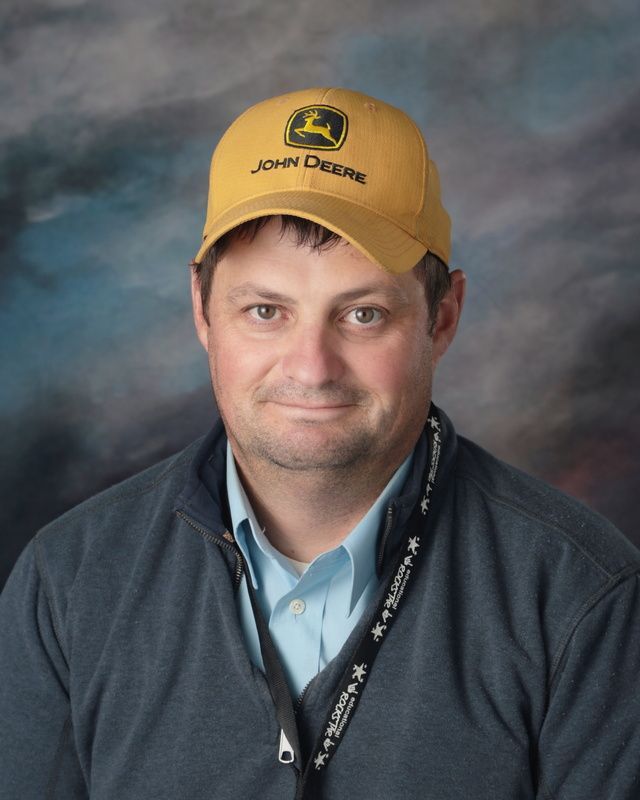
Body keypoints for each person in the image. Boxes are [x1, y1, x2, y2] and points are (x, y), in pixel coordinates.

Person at [0, 87, 638, 800]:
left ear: (443, 317)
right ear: (203, 312)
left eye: (363, 314)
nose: (311, 367)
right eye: (266, 311)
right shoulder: (70, 581)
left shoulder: (583, 596)